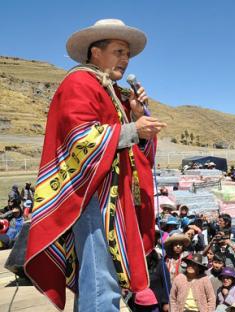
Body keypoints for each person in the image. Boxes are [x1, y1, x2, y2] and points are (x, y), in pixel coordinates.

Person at [24, 18, 166, 310]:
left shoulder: (115, 94)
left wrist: (136, 115)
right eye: (119, 51)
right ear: (96, 52)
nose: (125, 59)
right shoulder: (79, 82)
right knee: (101, 281)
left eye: (127, 54)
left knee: (100, 279)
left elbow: (138, 152)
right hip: (91, 198)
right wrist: (132, 129)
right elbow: (79, 138)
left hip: (113, 197)